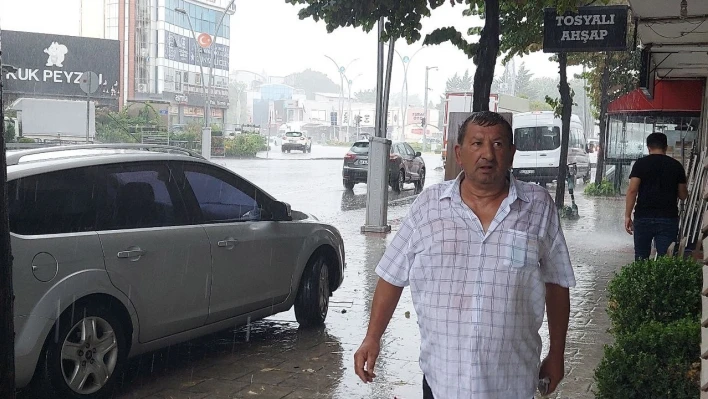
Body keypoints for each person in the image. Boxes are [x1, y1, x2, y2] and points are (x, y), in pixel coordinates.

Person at [353, 111, 576, 398]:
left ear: (511, 154)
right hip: (443, 378)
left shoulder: (538, 207)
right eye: (477, 143)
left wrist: (557, 354)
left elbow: (557, 283)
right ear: (459, 153)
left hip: (511, 380)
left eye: (497, 145)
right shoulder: (429, 206)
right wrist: (372, 337)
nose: (487, 154)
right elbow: (391, 276)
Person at [625, 132, 688, 260]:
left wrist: (627, 215)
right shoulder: (676, 166)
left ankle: (642, 280)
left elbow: (632, 190)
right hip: (668, 218)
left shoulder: (640, 164)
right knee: (665, 260)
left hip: (643, 217)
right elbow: (682, 195)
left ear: (648, 147)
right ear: (666, 147)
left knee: (641, 258)